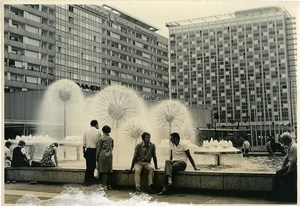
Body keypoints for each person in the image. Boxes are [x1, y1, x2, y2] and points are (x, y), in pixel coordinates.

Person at [271, 132, 297, 202]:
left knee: (286, 177)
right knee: (278, 173)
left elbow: (293, 162)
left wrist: (288, 172)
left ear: (285, 140)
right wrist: (281, 169)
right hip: (295, 166)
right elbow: (286, 159)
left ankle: (291, 197)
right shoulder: (290, 146)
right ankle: (275, 195)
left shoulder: (294, 147)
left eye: (282, 140)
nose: (281, 142)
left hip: (297, 167)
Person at [83, 120, 101, 185]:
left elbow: (84, 143)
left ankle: (87, 180)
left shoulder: (86, 131)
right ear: (96, 124)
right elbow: (99, 143)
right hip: (95, 150)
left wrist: (83, 152)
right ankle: (92, 180)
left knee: (88, 166)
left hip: (88, 150)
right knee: (94, 166)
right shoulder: (98, 132)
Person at [96, 125, 114, 189]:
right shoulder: (111, 139)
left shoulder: (101, 138)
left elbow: (98, 148)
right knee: (109, 171)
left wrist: (96, 157)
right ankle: (109, 185)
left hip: (102, 156)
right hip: (109, 156)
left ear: (103, 130)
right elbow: (112, 147)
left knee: (104, 172)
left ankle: (104, 186)